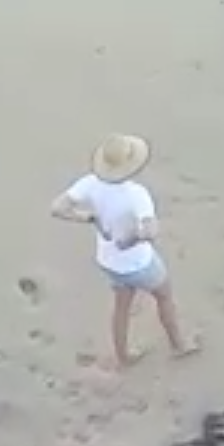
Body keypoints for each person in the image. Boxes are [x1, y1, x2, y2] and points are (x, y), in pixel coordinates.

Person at [49, 133, 198, 371]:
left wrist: (87, 217)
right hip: (138, 263)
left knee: (121, 306)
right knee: (164, 296)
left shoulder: (89, 183)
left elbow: (57, 208)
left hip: (107, 260)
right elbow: (150, 231)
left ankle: (123, 355)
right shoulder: (137, 195)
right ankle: (179, 344)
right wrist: (129, 239)